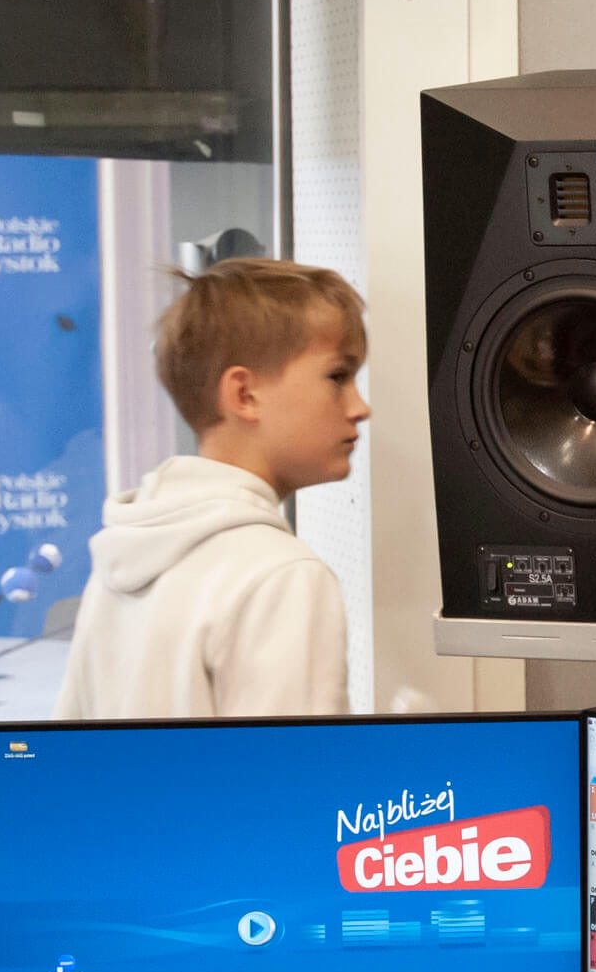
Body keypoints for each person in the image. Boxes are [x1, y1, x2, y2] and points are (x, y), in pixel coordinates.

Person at [54, 258, 368, 719]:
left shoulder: (119, 556)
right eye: (338, 377)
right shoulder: (282, 575)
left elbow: (70, 743)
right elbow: (297, 765)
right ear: (244, 395)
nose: (360, 407)